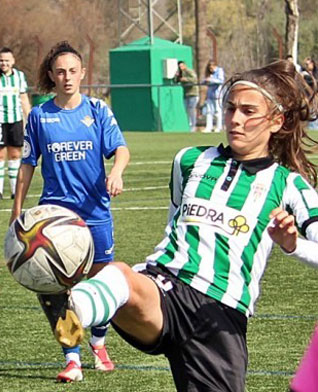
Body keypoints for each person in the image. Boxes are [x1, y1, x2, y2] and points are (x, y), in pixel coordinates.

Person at [53, 60, 318, 392]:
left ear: (276, 121)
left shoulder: (289, 185)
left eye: (249, 112)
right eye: (231, 108)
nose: (236, 119)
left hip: (219, 313)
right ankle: (78, 307)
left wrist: (293, 245)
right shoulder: (190, 160)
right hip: (166, 286)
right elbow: (173, 224)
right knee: (120, 276)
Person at [10, 41, 130, 383]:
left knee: (101, 282)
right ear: (51, 75)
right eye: (60, 71)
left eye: (73, 71)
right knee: (57, 289)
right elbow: (28, 164)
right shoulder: (39, 116)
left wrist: (117, 171)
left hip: (95, 212)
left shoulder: (98, 109)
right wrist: (17, 209)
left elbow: (120, 150)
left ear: (82, 74)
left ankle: (98, 342)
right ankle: (72, 358)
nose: (67, 77)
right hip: (56, 219)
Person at [0, 47, 31, 200]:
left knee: (16, 154)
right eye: (1, 60)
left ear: (13, 61)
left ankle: (14, 190)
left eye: (7, 60)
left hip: (15, 120)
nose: (4, 63)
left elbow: (23, 98)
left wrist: (29, 118)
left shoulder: (19, 76)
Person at [174, 60, 199, 132]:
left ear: (185, 65)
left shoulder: (189, 71)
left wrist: (186, 79)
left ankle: (193, 126)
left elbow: (194, 79)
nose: (181, 67)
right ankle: (190, 126)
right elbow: (176, 81)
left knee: (192, 109)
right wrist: (176, 76)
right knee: (187, 110)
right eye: (179, 66)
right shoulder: (180, 73)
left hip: (193, 93)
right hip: (186, 94)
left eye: (182, 66)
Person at [203, 60, 225, 133]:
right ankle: (209, 127)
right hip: (210, 94)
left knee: (217, 111)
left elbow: (221, 80)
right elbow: (204, 81)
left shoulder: (219, 71)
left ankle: (218, 127)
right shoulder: (209, 73)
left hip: (217, 95)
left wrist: (211, 80)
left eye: (211, 67)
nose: (210, 69)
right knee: (209, 111)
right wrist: (205, 81)